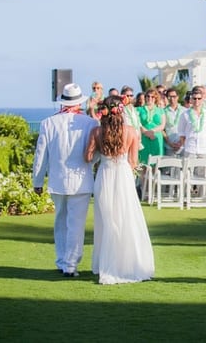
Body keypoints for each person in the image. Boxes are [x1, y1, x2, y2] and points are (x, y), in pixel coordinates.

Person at [84, 95, 154, 285]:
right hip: (123, 176)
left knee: (106, 221)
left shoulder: (97, 132)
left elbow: (88, 157)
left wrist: (100, 151)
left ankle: (105, 263)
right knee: (126, 218)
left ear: (104, 111)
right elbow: (133, 162)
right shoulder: (131, 131)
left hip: (105, 176)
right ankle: (128, 264)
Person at [32, 83, 98, 278]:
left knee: (60, 222)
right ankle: (70, 264)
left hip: (57, 180)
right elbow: (94, 154)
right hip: (81, 180)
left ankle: (62, 260)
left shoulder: (48, 123)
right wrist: (89, 165)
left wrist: (37, 181)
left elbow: (40, 155)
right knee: (76, 224)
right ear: (80, 101)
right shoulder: (91, 123)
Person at [138, 89, 166, 164]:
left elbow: (162, 125)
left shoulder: (160, 110)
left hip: (156, 137)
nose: (150, 98)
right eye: (148, 96)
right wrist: (147, 133)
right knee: (143, 163)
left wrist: (152, 132)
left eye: (152, 97)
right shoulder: (139, 109)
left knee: (156, 164)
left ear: (155, 98)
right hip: (144, 137)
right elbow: (137, 123)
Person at [163, 88, 184, 155]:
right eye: (169, 97)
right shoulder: (163, 111)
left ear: (177, 97)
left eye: (174, 96)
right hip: (169, 146)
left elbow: (187, 129)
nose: (172, 99)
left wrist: (180, 143)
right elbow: (162, 130)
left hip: (183, 146)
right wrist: (170, 143)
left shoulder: (185, 111)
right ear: (167, 98)